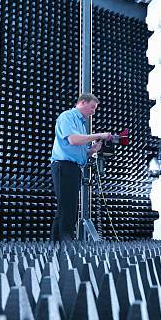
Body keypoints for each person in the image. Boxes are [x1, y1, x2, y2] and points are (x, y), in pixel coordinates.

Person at [50, 93, 112, 241]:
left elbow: (80, 152)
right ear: (82, 102)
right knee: (67, 208)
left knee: (67, 207)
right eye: (92, 107)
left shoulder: (81, 124)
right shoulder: (67, 117)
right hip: (63, 166)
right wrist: (100, 135)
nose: (93, 112)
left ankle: (56, 244)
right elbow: (73, 140)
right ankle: (66, 243)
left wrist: (92, 150)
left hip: (74, 167)